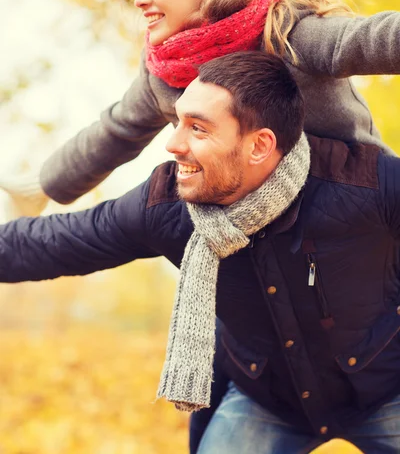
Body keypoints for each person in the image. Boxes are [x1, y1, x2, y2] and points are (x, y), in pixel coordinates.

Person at [1, 51, 400, 454]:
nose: (173, 144)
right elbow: (48, 242)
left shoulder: (368, 186)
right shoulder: (166, 206)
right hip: (266, 402)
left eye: (198, 128)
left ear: (260, 145)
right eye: (178, 122)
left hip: (386, 389)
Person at [4, 0, 399, 214]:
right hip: (262, 223)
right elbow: (116, 131)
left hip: (354, 195)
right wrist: (44, 185)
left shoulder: (285, 31)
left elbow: (370, 39)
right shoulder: (164, 71)